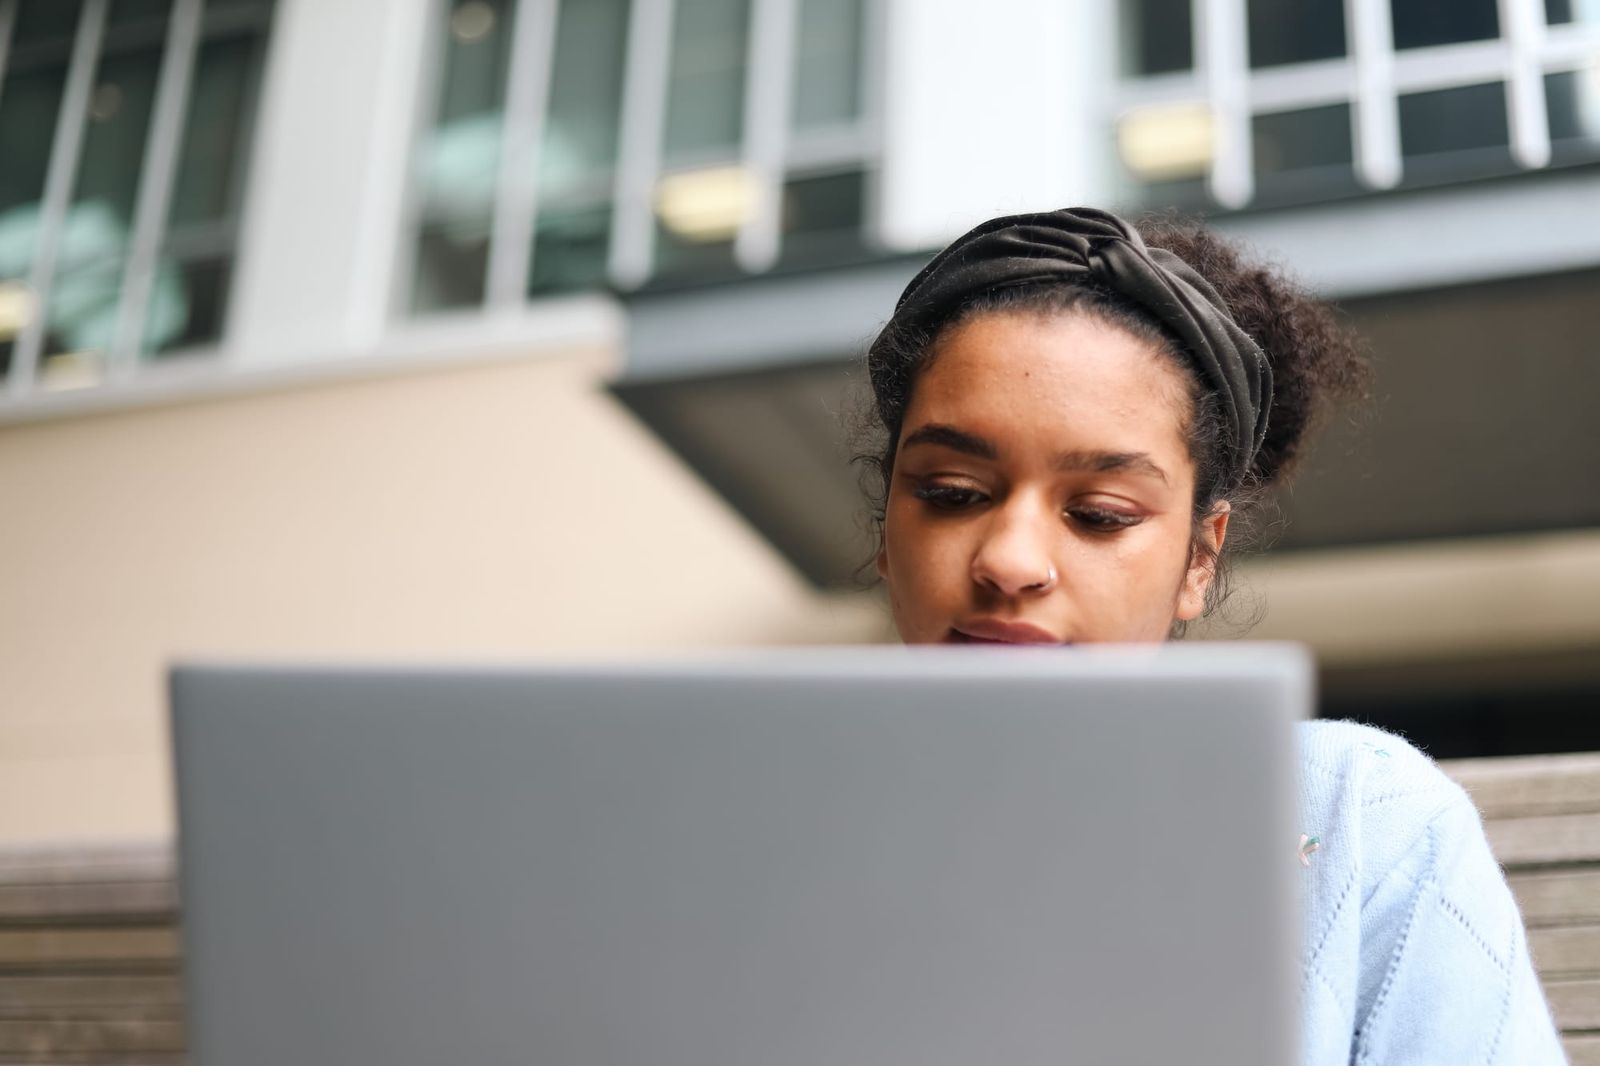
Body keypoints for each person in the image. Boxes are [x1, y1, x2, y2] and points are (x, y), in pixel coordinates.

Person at [858, 207, 1567, 1064]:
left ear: (1198, 559)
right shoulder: (742, 832)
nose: (1010, 560)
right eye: (951, 491)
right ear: (885, 531)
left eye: (1098, 514)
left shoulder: (1355, 820)